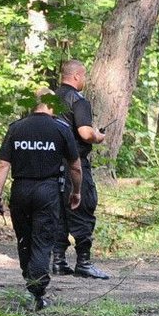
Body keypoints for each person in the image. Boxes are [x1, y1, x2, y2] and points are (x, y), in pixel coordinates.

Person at [0, 91, 82, 311]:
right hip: (48, 191)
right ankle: (38, 289)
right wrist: (77, 191)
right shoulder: (61, 129)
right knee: (42, 240)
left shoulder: (17, 128)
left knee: (25, 239)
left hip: (20, 190)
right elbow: (75, 166)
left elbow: (4, 164)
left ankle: (31, 280)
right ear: (52, 104)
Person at [54, 58, 110, 279]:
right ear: (76, 76)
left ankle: (58, 261)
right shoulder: (78, 100)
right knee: (82, 206)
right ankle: (83, 263)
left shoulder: (51, 99)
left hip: (51, 166)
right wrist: (98, 136)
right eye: (84, 76)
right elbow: (85, 133)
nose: (85, 80)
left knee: (58, 212)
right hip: (74, 163)